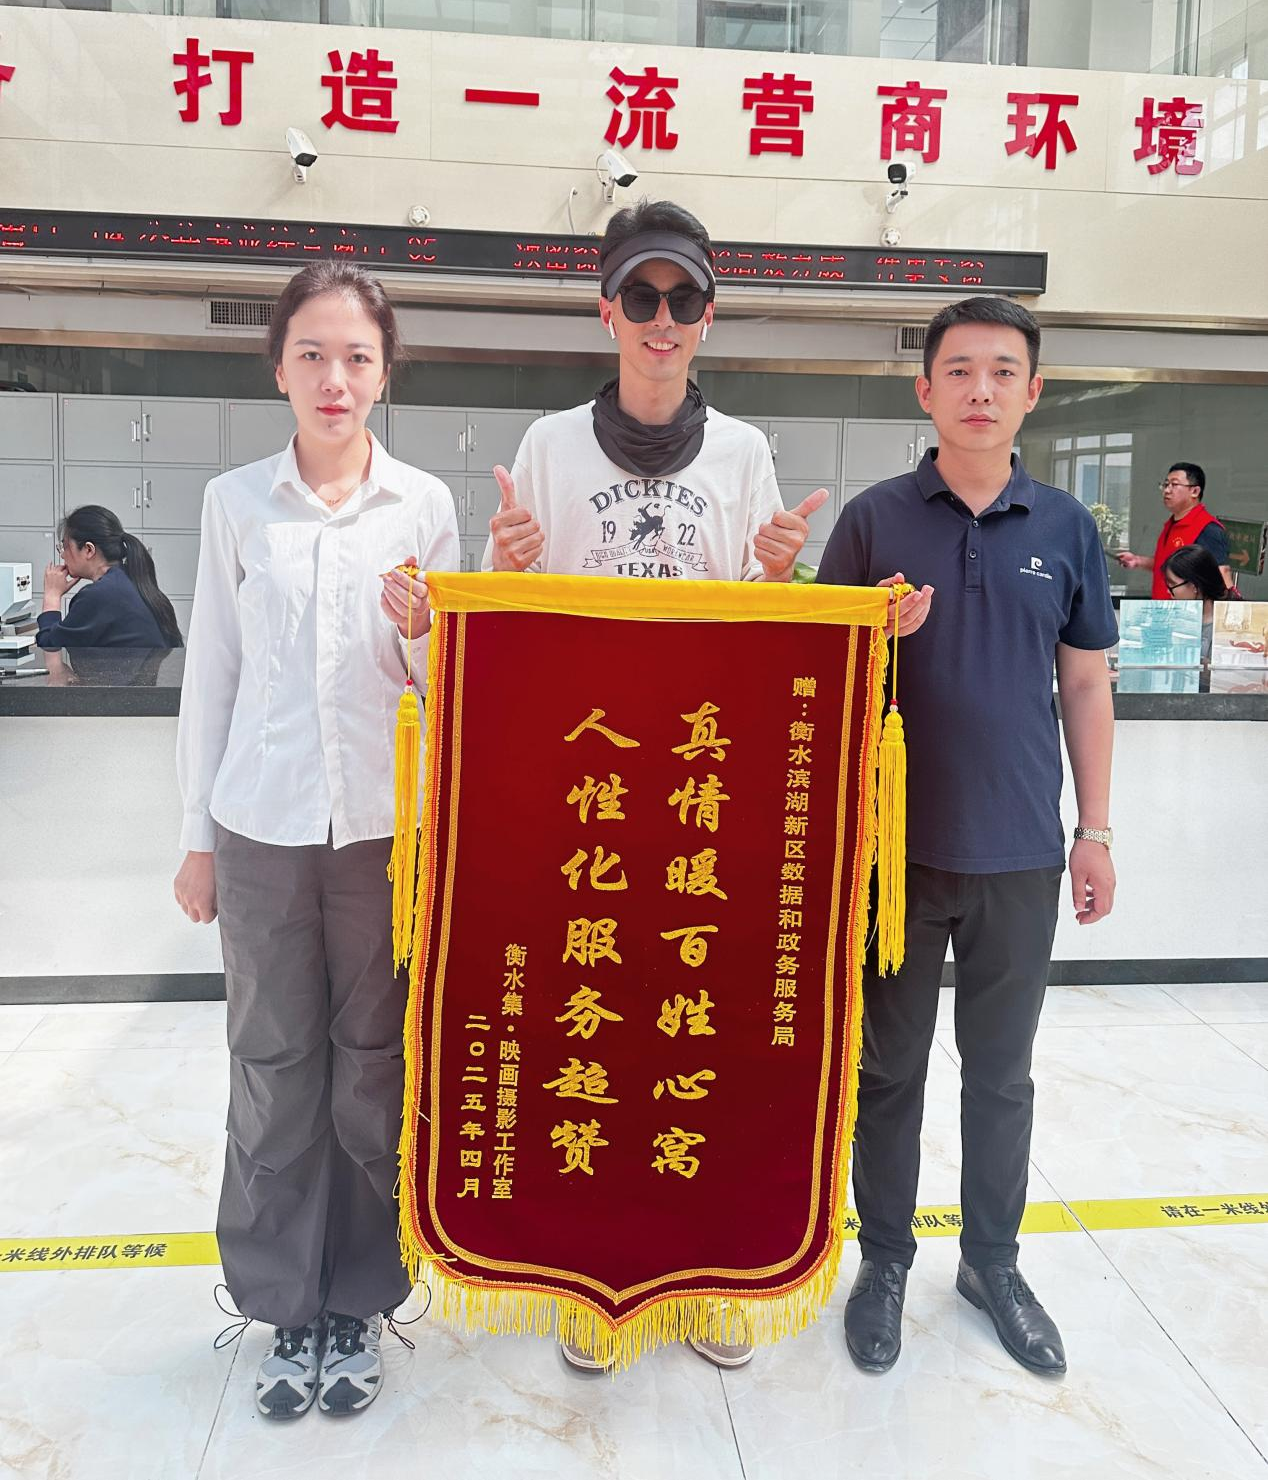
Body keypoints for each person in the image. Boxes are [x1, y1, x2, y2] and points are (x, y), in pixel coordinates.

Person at [486, 197, 932, 1373]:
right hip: (588, 788)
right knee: (592, 1025)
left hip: (700, 786)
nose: (662, 318)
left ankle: (707, 1271)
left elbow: (761, 638)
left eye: (683, 299)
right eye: (642, 296)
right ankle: (594, 1277)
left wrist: (782, 577)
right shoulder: (548, 448)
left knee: (700, 1026)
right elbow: (510, 625)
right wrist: (502, 562)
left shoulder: (742, 455)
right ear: (607, 312)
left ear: (707, 318)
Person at [173, 262, 459, 1420]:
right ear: (279, 368)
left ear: (385, 374)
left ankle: (362, 1298)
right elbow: (213, 673)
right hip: (260, 824)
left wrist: (429, 632)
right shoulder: (237, 503)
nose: (335, 378)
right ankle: (283, 1301)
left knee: (375, 1065)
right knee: (272, 1059)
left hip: (388, 832)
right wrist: (196, 839)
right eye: (312, 354)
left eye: (357, 357)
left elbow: (447, 688)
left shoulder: (422, 508)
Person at [818, 295, 1117, 1380]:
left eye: (1000, 371)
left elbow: (1084, 684)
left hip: (1021, 851)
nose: (979, 390)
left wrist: (1095, 829)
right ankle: (884, 1261)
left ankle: (992, 1263)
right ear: (924, 389)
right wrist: (872, 634)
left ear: (1032, 392)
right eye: (958, 370)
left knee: (1001, 1076)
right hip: (891, 857)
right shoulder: (874, 520)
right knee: (886, 1073)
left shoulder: (1066, 527)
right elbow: (817, 680)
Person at [37, 505, 183, 650]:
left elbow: (51, 649)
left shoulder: (98, 595)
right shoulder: (130, 580)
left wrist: (52, 595)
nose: (62, 555)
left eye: (65, 547)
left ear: (88, 550)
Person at [1117, 462, 1233, 595]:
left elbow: (1222, 578)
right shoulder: (1172, 525)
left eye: (1174, 484)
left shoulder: (1208, 529)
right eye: (1166, 484)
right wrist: (1138, 561)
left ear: (1195, 491)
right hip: (1161, 606)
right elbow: (1167, 566)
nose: (1167, 490)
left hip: (1185, 608)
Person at [1161, 542, 1243, 662]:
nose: (1168, 591)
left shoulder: (1236, 625)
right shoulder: (1172, 621)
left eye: (1172, 585)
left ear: (1194, 586)